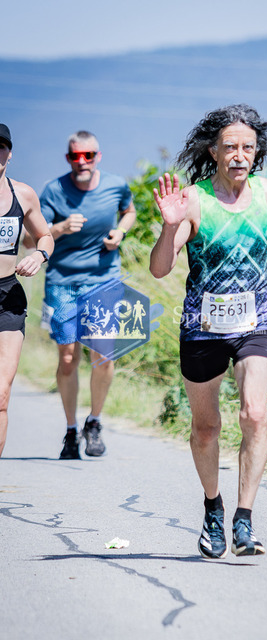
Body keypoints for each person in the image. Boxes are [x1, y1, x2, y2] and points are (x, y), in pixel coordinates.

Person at [150, 104, 267, 558]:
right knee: (206, 428)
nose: (240, 155)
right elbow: (160, 269)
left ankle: (244, 518)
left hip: (257, 319)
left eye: (248, 147)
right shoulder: (194, 201)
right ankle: (213, 509)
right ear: (214, 152)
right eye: (230, 147)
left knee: (255, 415)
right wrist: (169, 227)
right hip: (202, 326)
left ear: (257, 151)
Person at [39, 130, 136, 460]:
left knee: (103, 355)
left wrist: (120, 232)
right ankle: (70, 430)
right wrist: (60, 228)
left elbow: (130, 211)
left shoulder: (116, 185)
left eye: (88, 155)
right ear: (68, 158)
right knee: (68, 360)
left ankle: (93, 422)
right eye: (75, 156)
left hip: (103, 280)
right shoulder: (53, 191)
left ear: (98, 156)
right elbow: (30, 239)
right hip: (63, 282)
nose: (82, 161)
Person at [0, 124, 54, 456]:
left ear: (10, 153)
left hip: (7, 297)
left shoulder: (23, 194)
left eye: (1, 146)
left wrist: (38, 255)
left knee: (1, 395)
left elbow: (44, 236)